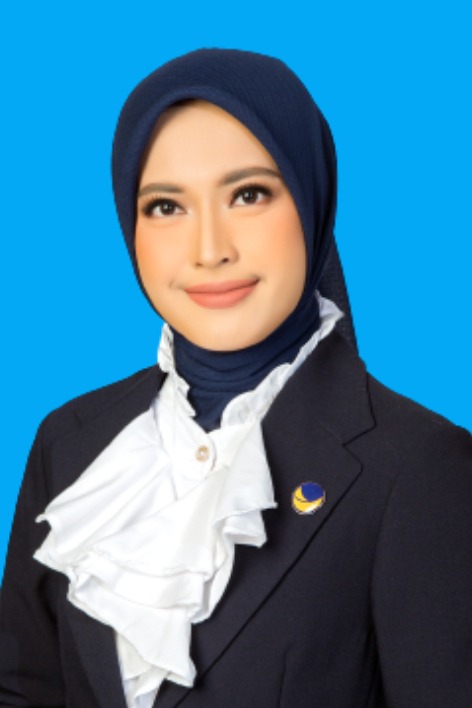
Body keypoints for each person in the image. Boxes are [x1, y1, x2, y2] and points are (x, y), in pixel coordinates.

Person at [0, 48, 471, 708]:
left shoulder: (420, 467)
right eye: (166, 206)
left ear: (312, 201)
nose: (209, 249)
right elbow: (22, 689)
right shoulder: (70, 441)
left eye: (248, 195)